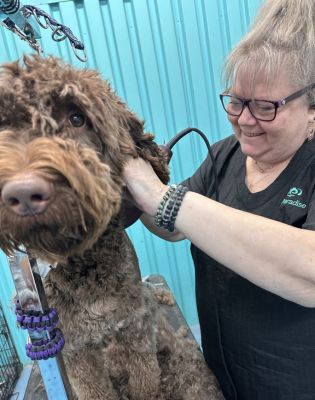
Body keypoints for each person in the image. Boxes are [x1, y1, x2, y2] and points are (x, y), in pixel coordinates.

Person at [123, 1, 315, 399]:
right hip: (224, 379)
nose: (245, 120)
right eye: (236, 101)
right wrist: (133, 182)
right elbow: (171, 227)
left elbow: (309, 272)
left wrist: (162, 198)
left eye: (265, 107)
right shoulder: (226, 156)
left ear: (310, 108)